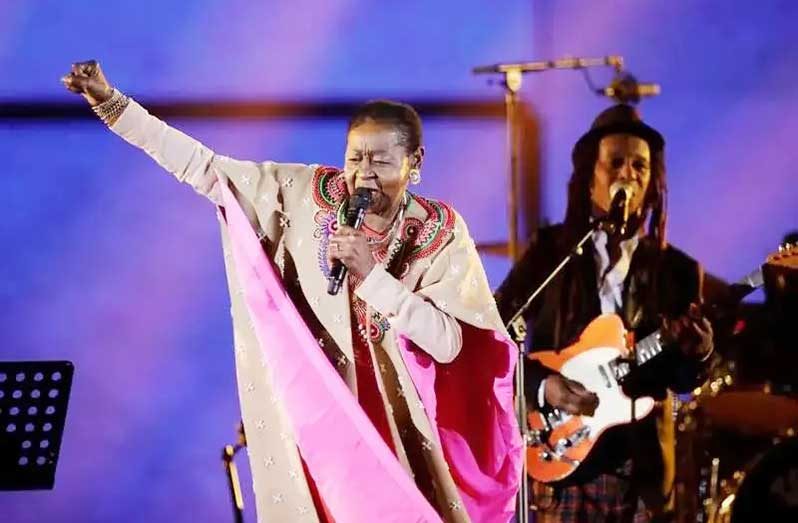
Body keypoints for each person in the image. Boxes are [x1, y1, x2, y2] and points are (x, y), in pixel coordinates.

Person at [62, 61, 521, 522]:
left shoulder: (438, 230)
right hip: (326, 429)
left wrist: (373, 276)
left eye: (380, 161)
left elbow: (449, 343)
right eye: (355, 158)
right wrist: (111, 102)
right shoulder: (303, 195)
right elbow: (205, 169)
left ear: (414, 162)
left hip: (404, 434)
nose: (363, 174)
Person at [494, 104, 714, 522]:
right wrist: (543, 386)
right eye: (615, 163)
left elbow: (683, 379)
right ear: (589, 178)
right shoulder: (549, 256)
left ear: (652, 184)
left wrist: (700, 354)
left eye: (639, 166)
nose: (627, 174)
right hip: (560, 461)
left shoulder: (677, 271)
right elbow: (496, 338)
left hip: (640, 469)